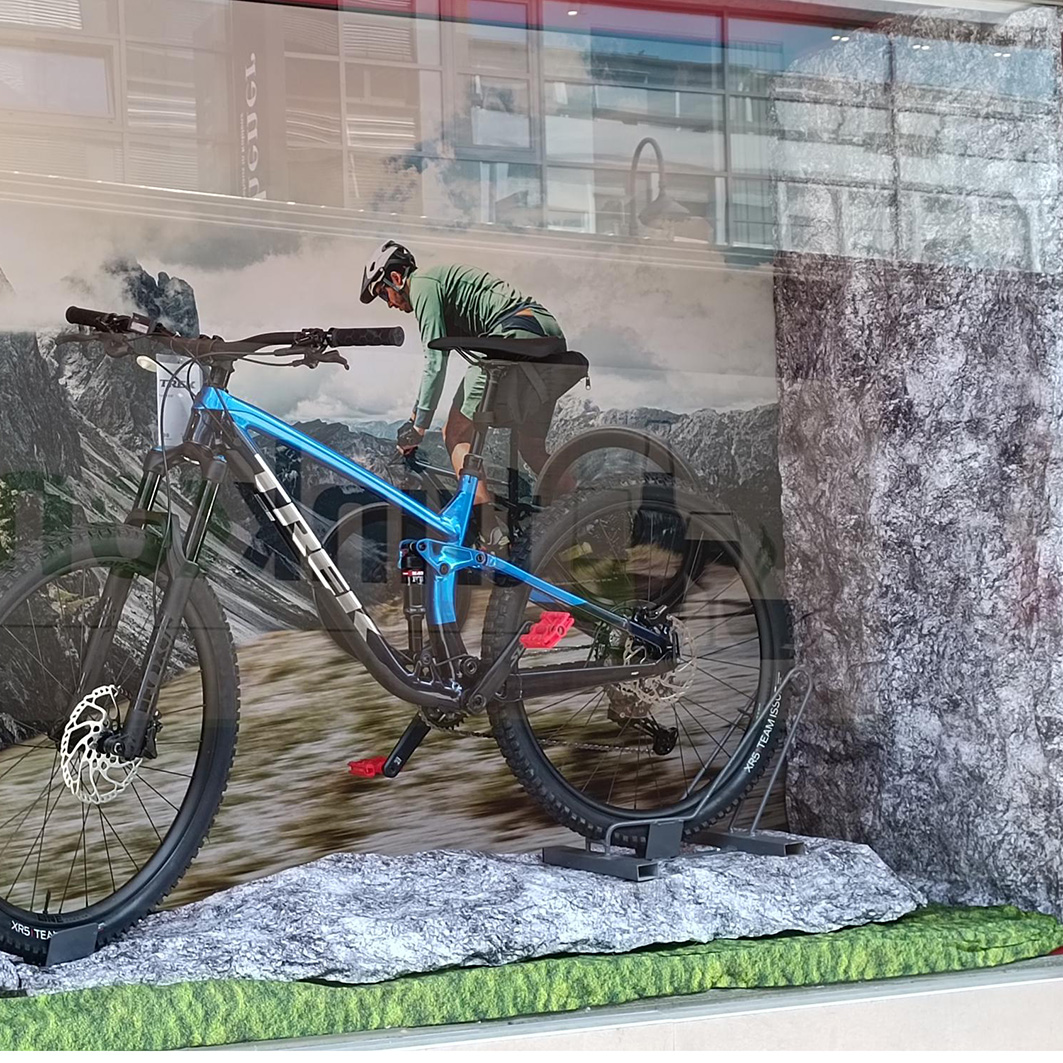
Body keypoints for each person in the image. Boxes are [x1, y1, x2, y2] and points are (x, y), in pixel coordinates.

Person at [360, 240, 574, 537]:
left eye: (383, 293)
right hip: (544, 330)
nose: (389, 304)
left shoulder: (422, 285)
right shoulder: (438, 282)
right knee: (532, 448)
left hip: (513, 334)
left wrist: (419, 428)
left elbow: (435, 361)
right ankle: (588, 514)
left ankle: (490, 536)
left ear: (396, 278)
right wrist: (414, 417)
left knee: (455, 434)